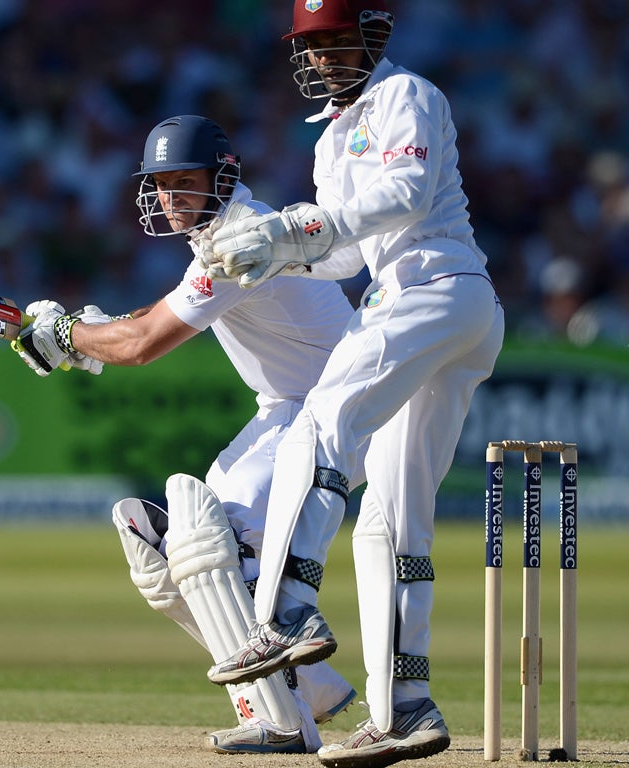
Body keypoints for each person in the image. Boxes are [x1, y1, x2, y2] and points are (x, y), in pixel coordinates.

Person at [196, 2, 506, 767]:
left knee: (319, 425)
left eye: (337, 40)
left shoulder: (408, 95)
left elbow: (401, 194)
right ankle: (406, 707)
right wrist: (278, 252)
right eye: (312, 45)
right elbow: (342, 252)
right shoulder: (332, 137)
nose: (325, 56)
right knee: (392, 521)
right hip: (433, 305)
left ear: (375, 36)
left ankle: (290, 608)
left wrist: (293, 228)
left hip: (432, 288)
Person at [13, 114, 358, 754]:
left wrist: (69, 337)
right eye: (161, 183)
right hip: (287, 409)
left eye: (183, 182)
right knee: (167, 550)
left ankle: (284, 720)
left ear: (222, 178)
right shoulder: (222, 236)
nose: (170, 197)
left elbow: (144, 345)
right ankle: (306, 688)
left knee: (205, 542)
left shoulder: (239, 239)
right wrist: (90, 336)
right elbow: (156, 314)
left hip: (333, 410)